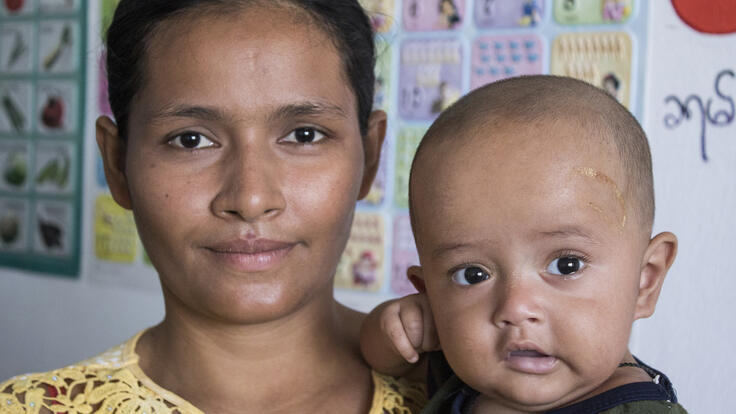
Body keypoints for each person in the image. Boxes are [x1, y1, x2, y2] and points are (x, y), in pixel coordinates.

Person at [0, 1, 427, 413]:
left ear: (370, 155)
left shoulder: (465, 393)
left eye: (304, 135)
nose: (251, 199)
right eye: (191, 140)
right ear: (117, 164)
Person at [361, 75, 688, 413]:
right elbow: (381, 358)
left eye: (566, 265)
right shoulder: (468, 363)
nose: (516, 308)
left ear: (644, 281)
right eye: (472, 275)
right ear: (429, 293)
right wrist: (399, 326)